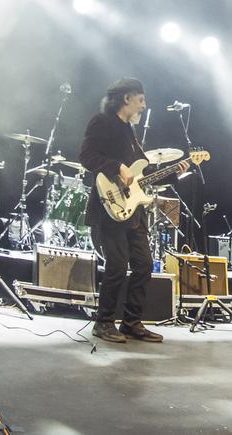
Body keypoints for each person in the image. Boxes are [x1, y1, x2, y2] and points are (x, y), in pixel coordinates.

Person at [79, 78, 163, 344]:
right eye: (141, 100)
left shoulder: (129, 131)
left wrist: (174, 173)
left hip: (133, 209)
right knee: (117, 265)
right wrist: (117, 167)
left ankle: (131, 322)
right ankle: (103, 323)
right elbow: (87, 156)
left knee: (144, 265)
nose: (144, 105)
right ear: (127, 98)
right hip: (109, 205)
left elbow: (142, 174)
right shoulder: (102, 122)